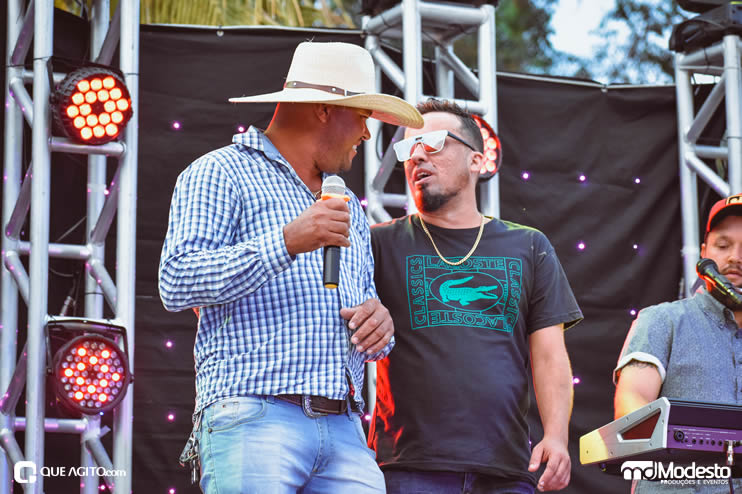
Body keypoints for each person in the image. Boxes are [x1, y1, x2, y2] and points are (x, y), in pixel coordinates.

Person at [158, 41, 424, 494]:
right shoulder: (220, 171)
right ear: (324, 109)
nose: (366, 134)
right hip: (253, 415)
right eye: (362, 117)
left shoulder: (348, 204)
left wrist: (380, 324)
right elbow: (177, 281)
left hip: (345, 427)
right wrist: (285, 242)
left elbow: (363, 305)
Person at [367, 98, 583, 494]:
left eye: (433, 143)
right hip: (409, 465)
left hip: (506, 468)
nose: (417, 156)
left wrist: (556, 436)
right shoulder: (379, 243)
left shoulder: (529, 245)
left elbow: (550, 355)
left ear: (476, 160)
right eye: (409, 147)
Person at [614, 194, 742, 494]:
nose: (735, 257)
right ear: (704, 253)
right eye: (723, 245)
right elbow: (631, 408)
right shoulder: (662, 320)